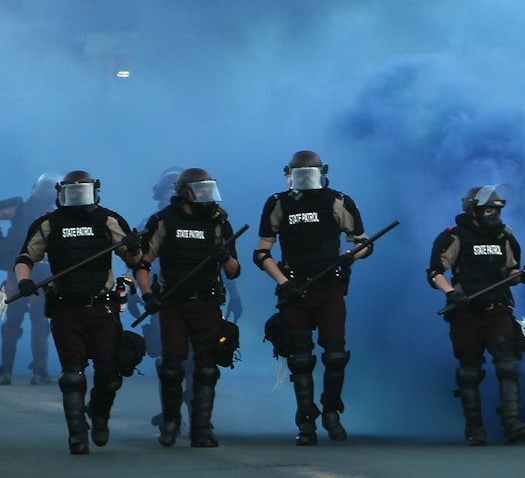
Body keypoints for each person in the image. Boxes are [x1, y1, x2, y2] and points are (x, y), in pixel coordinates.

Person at [12, 170, 144, 454]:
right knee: (72, 375)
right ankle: (77, 434)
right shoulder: (48, 224)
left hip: (103, 307)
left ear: (94, 191)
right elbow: (25, 257)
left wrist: (135, 249)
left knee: (108, 375)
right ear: (60, 194)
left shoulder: (109, 220)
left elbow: (134, 259)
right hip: (66, 309)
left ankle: (98, 416)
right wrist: (24, 280)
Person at [254, 150, 372, 445]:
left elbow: (363, 242)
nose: (306, 178)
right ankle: (306, 421)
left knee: (335, 355)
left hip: (329, 287)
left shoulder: (337, 201)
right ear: (289, 175)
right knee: (300, 359)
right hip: (296, 289)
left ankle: (332, 413)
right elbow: (261, 253)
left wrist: (351, 256)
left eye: (311, 173)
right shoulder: (277, 204)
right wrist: (283, 283)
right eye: (300, 173)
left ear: (321, 173)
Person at [134, 167, 241, 448]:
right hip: (171, 303)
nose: (207, 196)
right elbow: (141, 263)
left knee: (206, 368)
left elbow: (233, 270)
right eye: (201, 190)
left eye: (209, 190)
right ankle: (171, 423)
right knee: (171, 365)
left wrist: (225, 258)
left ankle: (201, 427)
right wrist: (145, 295)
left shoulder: (218, 223)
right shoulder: (160, 222)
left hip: (207, 302)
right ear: (185, 193)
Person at [427, 186, 525, 446]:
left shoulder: (504, 237)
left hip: (497, 310)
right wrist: (452, 293)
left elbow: (511, 271)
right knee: (469, 373)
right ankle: (475, 428)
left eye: (496, 211)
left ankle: (512, 423)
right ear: (474, 211)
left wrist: (523, 276)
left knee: (508, 365)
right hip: (467, 313)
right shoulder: (454, 237)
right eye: (488, 210)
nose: (494, 215)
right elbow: (435, 272)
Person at [0, 173, 62, 385]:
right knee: (39, 323)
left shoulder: (20, 208)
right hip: (42, 274)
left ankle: (6, 370)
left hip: (16, 272)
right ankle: (39, 371)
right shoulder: (58, 214)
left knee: (12, 323)